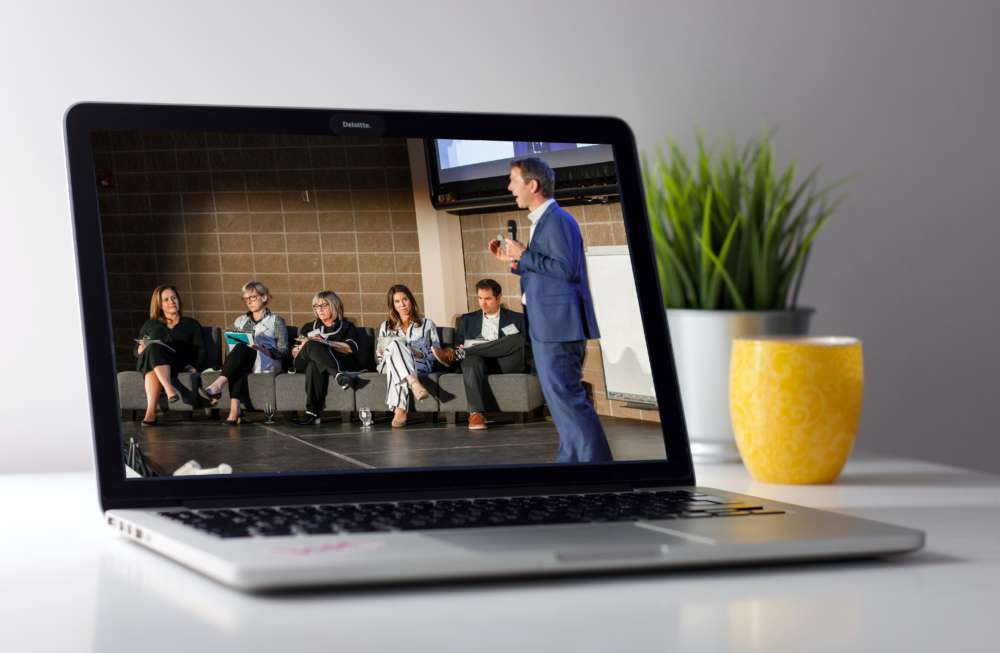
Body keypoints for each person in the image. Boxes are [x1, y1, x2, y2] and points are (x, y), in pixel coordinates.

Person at [489, 157, 613, 463]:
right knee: (560, 403)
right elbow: (548, 272)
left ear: (532, 185)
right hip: (547, 327)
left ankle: (596, 470)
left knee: (568, 400)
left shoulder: (557, 220)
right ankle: (572, 463)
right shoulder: (543, 222)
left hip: (559, 327)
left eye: (513, 181)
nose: (509, 188)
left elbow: (565, 269)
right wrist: (516, 262)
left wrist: (526, 255)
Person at [431, 278, 529, 430]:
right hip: (478, 364)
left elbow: (524, 346)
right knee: (470, 360)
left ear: (498, 297)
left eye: (488, 299)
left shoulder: (517, 319)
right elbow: (457, 344)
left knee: (516, 339)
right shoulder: (467, 320)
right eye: (480, 298)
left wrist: (462, 350)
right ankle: (475, 414)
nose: (483, 303)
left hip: (505, 362)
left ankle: (460, 354)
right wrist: (461, 347)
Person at [198, 281, 288, 425]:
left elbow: (283, 351)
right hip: (243, 360)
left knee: (242, 352)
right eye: (246, 299)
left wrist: (262, 348)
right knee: (240, 353)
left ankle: (218, 386)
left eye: (252, 297)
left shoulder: (276, 321)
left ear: (264, 297)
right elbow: (231, 347)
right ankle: (234, 412)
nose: (249, 302)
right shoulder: (240, 320)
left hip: (266, 360)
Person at [134, 285, 208, 426]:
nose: (171, 302)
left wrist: (194, 366)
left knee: (153, 356)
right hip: (152, 361)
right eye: (166, 299)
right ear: (159, 305)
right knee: (153, 347)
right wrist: (140, 349)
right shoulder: (150, 324)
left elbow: (201, 350)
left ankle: (151, 413)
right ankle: (168, 390)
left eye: (174, 298)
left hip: (177, 363)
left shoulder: (191, 324)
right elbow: (135, 351)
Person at [290, 290, 366, 425]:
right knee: (312, 344)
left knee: (314, 364)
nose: (319, 310)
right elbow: (295, 353)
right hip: (302, 362)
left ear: (334, 305)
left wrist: (325, 342)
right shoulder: (308, 327)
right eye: (316, 306)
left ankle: (312, 412)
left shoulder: (346, 327)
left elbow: (350, 348)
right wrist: (300, 348)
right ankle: (338, 375)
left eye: (324, 305)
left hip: (335, 361)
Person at [375, 284, 436, 428]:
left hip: (419, 363)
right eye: (397, 301)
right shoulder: (385, 326)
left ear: (411, 300)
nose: (402, 304)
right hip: (388, 363)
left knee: (398, 358)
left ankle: (400, 409)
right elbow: (379, 357)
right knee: (395, 345)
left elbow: (435, 354)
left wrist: (416, 352)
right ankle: (414, 383)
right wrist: (386, 350)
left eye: (405, 299)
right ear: (392, 305)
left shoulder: (427, 324)